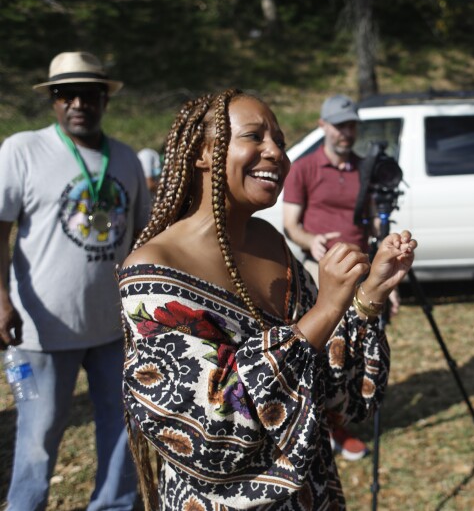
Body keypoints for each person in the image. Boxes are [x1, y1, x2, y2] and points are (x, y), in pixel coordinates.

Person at [119, 89, 417, 509]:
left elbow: (338, 398)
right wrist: (327, 308)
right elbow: (211, 433)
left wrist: (367, 296)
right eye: (254, 137)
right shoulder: (153, 271)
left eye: (278, 139)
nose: (275, 152)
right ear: (203, 153)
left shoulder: (271, 244)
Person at [0, 51, 148, 510]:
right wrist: (0, 299)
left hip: (113, 331)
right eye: (67, 94)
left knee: (121, 429)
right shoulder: (22, 150)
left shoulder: (125, 158)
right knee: (38, 435)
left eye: (89, 93)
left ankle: (114, 505)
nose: (78, 103)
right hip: (40, 333)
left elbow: (142, 238)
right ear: (53, 100)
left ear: (105, 98)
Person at [281, 93, 378, 460]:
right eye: (339, 125)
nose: (346, 132)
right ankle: (325, 426)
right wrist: (311, 239)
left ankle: (344, 417)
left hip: (360, 271)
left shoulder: (364, 168)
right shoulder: (303, 168)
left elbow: (372, 224)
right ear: (323, 126)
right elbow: (292, 224)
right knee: (323, 351)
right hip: (316, 270)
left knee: (356, 351)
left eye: (351, 125)